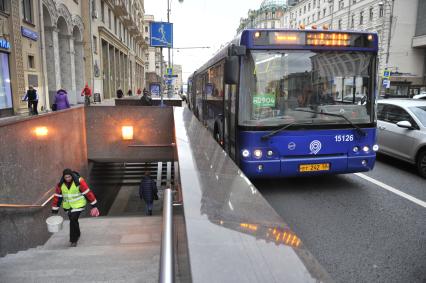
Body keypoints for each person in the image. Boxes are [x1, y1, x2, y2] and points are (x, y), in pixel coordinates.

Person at [51, 169, 99, 247]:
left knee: (73, 220)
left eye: (69, 177)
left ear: (72, 176)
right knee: (74, 220)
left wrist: (94, 205)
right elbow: (58, 197)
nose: (68, 179)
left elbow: (87, 193)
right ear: (63, 177)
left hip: (79, 205)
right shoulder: (60, 185)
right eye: (66, 177)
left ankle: (73, 240)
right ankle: (78, 233)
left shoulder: (79, 182)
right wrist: (55, 210)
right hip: (68, 207)